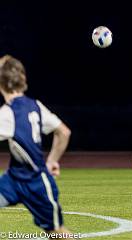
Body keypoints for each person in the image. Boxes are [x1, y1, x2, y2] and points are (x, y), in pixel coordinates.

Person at [0, 55, 73, 238]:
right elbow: (64, 132)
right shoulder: (36, 106)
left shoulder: (8, 113)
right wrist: (52, 162)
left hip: (36, 184)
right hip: (15, 180)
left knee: (57, 233)